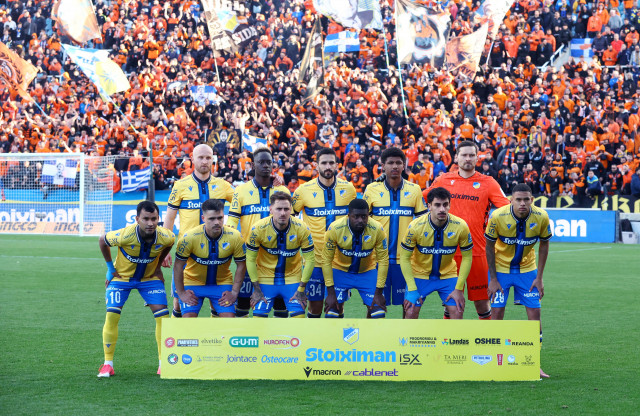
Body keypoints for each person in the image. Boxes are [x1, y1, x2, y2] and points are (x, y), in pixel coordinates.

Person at [424, 141, 510, 320]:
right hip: (448, 253)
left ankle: (487, 336)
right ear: (456, 157)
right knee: (452, 304)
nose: (468, 158)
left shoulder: (488, 183)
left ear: (478, 158)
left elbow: (508, 209)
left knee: (482, 303)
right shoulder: (443, 180)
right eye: (464, 155)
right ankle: (451, 337)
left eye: (472, 155)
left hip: (478, 252)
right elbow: (420, 197)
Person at [97, 201, 175, 377]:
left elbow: (170, 244)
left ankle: (163, 364)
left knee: (163, 317)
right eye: (146, 219)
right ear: (137, 219)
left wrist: (158, 267)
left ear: (159, 218)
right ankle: (108, 364)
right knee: (112, 315)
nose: (150, 223)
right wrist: (110, 269)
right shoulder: (125, 235)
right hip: (121, 278)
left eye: (154, 219)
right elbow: (102, 240)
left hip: (149, 279)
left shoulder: (166, 236)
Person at [485, 183, 552, 379]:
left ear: (532, 200)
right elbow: (488, 247)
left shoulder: (541, 216)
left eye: (526, 200)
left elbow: (544, 245)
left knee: (535, 314)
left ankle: (534, 363)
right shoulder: (497, 216)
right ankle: (495, 361)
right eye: (518, 200)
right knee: (497, 312)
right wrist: (493, 279)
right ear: (511, 200)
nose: (522, 203)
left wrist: (539, 278)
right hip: (501, 271)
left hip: (527, 271)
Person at [163, 144, 234, 317]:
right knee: (179, 301)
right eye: (200, 157)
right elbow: (170, 218)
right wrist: (164, 249)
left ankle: (214, 333)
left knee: (217, 300)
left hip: (217, 252)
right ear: (192, 159)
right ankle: (177, 333)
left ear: (212, 160)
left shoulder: (223, 186)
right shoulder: (180, 186)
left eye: (208, 158)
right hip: (187, 253)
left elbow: (242, 204)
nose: (204, 161)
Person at [292, 148, 356, 317]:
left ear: (337, 165)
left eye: (331, 163)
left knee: (337, 307)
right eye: (324, 163)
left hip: (340, 262)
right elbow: (289, 217)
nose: (328, 166)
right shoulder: (303, 190)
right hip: (314, 262)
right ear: (316, 165)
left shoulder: (349, 189)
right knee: (315, 307)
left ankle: (335, 335)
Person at [227, 147, 290, 317]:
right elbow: (232, 220)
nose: (266, 165)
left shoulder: (282, 191)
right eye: (261, 162)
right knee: (243, 305)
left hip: (277, 257)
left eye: (269, 162)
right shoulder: (241, 191)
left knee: (280, 308)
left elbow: (291, 222)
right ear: (253, 165)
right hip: (250, 257)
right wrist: (232, 235)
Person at [363, 147, 428, 309]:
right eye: (390, 163)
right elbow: (362, 222)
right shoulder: (372, 189)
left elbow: (423, 222)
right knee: (375, 307)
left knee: (409, 307)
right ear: (383, 166)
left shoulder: (414, 190)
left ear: (404, 166)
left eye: (398, 163)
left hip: (406, 260)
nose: (395, 166)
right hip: (377, 259)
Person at [400, 187, 472, 319]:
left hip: (447, 276)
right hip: (419, 275)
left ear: (450, 205)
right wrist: (412, 288)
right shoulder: (415, 227)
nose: (442, 209)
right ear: (429, 206)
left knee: (457, 311)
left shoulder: (461, 226)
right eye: (437, 205)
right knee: (410, 312)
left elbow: (467, 257)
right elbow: (404, 258)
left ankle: (453, 335)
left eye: (445, 204)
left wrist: (458, 288)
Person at [173, 199, 247, 318]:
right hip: (193, 283)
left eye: (220, 218)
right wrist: (181, 293)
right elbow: (178, 266)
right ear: (203, 218)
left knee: (230, 320)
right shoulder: (189, 238)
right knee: (188, 320)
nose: (217, 222)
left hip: (222, 284)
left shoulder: (235, 237)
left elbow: (241, 265)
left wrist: (234, 292)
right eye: (211, 219)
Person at [246, 191, 315, 318]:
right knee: (258, 321)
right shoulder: (258, 229)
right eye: (279, 209)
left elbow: (310, 260)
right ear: (271, 210)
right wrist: (256, 289)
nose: (283, 213)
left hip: (293, 279)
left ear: (291, 209)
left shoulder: (302, 228)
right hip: (265, 279)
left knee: (299, 320)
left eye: (286, 209)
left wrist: (301, 289)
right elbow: (250, 259)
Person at [322, 199, 389, 318]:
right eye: (356, 216)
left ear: (368, 215)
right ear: (348, 215)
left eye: (364, 216)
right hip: (340, 271)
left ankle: (368, 331)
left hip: (367, 272)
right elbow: (326, 260)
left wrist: (379, 292)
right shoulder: (335, 228)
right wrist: (331, 293)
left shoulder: (377, 229)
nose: (360, 220)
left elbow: (383, 260)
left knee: (378, 312)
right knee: (332, 312)